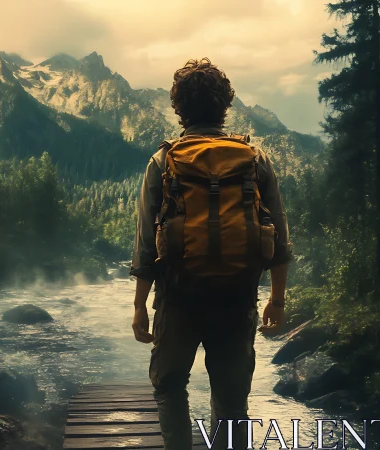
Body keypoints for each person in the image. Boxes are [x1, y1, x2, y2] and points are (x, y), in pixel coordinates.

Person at [130, 58, 293, 450]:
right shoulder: (254, 159)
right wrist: (277, 299)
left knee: (170, 388)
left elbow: (145, 245)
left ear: (179, 108)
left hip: (178, 298)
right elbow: (280, 238)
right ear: (224, 106)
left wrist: (139, 305)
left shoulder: (163, 161)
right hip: (236, 299)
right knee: (232, 401)